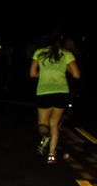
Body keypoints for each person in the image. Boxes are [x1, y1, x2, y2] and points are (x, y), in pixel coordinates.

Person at [31, 36, 81, 164]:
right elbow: (76, 75)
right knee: (55, 123)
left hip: (44, 91)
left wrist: (43, 74)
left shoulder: (39, 53)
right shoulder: (67, 54)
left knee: (43, 123)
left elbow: (32, 74)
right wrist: (66, 70)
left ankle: (45, 136)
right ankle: (51, 155)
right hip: (61, 92)